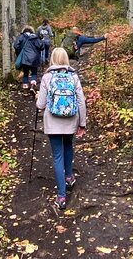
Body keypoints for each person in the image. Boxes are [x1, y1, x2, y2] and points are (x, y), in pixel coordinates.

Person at [36, 47, 87, 210]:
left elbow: (41, 105)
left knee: (57, 155)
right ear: (65, 59)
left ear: (52, 59)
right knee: (68, 146)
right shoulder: (73, 76)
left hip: (53, 122)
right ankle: (69, 177)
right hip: (71, 120)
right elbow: (81, 102)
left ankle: (61, 196)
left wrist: (37, 99)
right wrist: (82, 123)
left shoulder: (47, 77)